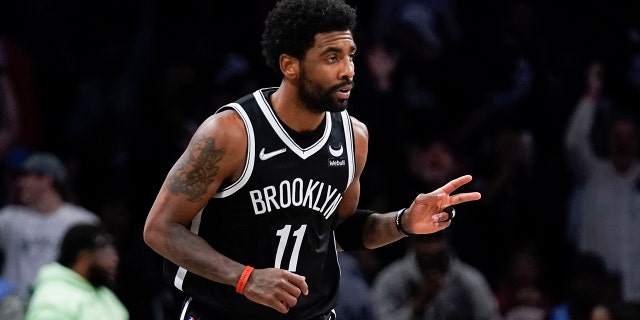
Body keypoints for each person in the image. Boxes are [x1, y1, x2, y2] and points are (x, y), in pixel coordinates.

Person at [142, 0, 482, 319]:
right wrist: (244, 277)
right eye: (332, 57)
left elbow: (339, 231)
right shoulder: (232, 132)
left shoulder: (354, 138)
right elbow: (160, 228)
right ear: (290, 65)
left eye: (351, 55)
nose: (348, 70)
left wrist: (404, 222)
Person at [564, 61, 640, 314]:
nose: (623, 143)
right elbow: (574, 142)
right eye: (618, 136)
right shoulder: (592, 173)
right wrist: (591, 94)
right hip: (597, 294)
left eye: (629, 137)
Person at [0, 151, 100, 300]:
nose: (19, 183)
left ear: (46, 179)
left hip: (59, 302)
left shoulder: (81, 221)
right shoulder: (8, 218)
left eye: (25, 176)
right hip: (13, 304)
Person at [370, 230, 502, 320]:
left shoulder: (469, 280)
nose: (431, 248)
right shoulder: (391, 279)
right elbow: (377, 317)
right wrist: (417, 305)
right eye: (424, 241)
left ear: (446, 242)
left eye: (435, 240)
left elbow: (490, 316)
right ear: (413, 244)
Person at [24, 223, 128, 320]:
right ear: (83, 257)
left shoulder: (105, 294)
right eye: (106, 252)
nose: (115, 259)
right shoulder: (53, 296)